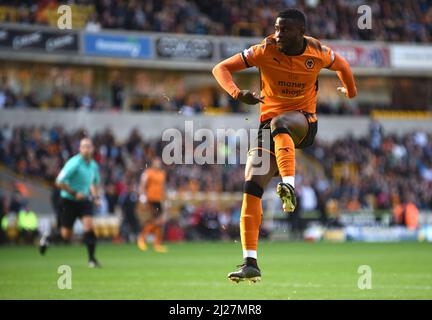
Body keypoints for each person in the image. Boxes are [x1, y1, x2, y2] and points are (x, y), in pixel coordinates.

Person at [212, 8, 356, 283]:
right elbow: (220, 68)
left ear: (300, 32)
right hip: (268, 129)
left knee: (281, 122)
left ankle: (289, 183)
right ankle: (250, 261)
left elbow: (344, 67)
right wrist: (236, 93)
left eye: (285, 30)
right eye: (276, 28)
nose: (278, 34)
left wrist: (350, 92)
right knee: (251, 187)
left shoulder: (318, 52)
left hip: (303, 122)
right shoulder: (263, 51)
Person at [39, 137, 102, 268]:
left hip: (84, 201)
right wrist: (74, 193)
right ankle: (48, 238)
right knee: (66, 235)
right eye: (83, 146)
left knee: (89, 227)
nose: (86, 149)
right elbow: (59, 181)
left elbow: (94, 184)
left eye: (88, 146)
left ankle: (92, 260)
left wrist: (96, 198)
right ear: (80, 149)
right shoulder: (74, 163)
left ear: (93, 149)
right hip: (68, 201)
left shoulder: (94, 166)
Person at [137, 157, 168, 253]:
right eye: (156, 162)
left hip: (159, 199)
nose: (158, 164)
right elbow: (142, 185)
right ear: (153, 163)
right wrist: (142, 196)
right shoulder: (148, 173)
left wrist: (165, 199)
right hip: (150, 198)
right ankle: (142, 239)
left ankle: (156, 243)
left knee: (159, 221)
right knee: (155, 220)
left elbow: (163, 187)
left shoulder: (162, 174)